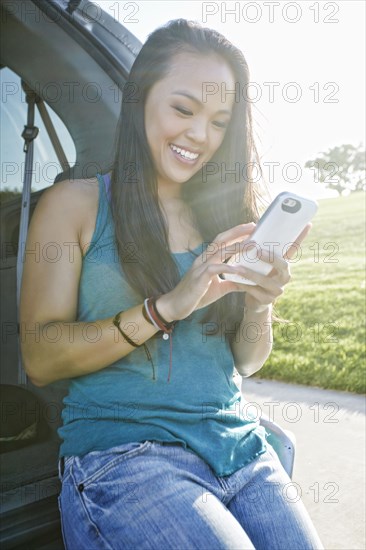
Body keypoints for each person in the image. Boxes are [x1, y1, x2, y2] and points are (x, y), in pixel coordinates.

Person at [20, 18, 323, 550]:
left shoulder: (225, 218)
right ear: (140, 99)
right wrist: (166, 307)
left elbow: (246, 364)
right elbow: (41, 357)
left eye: (218, 121)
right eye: (183, 110)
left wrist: (258, 305)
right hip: (127, 456)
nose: (199, 136)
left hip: (242, 451)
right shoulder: (76, 205)